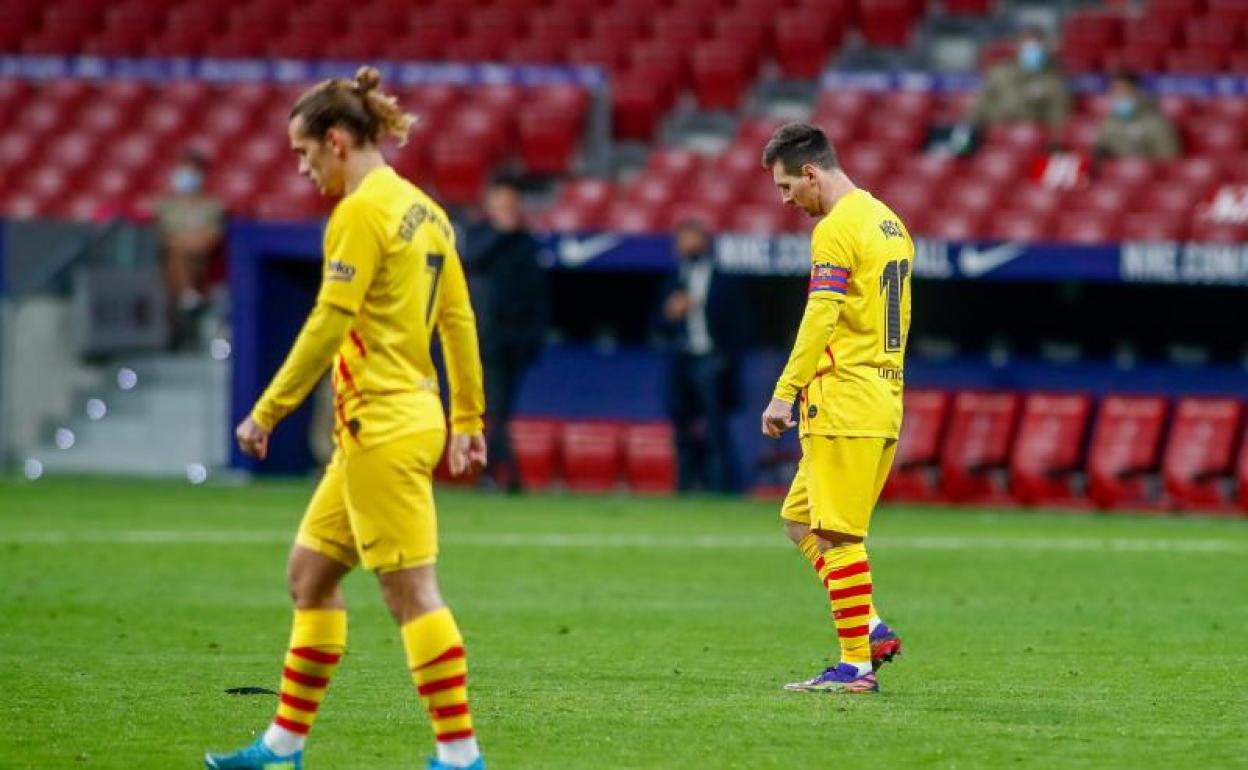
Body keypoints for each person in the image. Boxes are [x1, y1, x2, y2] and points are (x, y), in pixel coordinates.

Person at [205, 67, 488, 770]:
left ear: (336, 140)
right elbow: (456, 318)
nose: (303, 169)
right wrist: (467, 418)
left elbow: (330, 321)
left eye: (304, 153)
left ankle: (460, 756)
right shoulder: (426, 211)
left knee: (411, 592)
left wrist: (267, 411)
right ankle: (282, 748)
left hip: (381, 425)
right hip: (398, 419)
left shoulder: (360, 213)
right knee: (310, 576)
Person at [758, 122, 911, 695]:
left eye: (786, 186)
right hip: (882, 395)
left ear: (811, 173)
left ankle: (855, 667)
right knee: (798, 519)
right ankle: (868, 627)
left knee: (838, 538)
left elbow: (820, 314)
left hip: (844, 399)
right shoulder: (888, 221)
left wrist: (785, 391)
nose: (785, 199)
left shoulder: (836, 228)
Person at [462, 177, 549, 492]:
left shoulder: (526, 243)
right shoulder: (479, 237)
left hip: (515, 341)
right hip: (485, 340)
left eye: (511, 205)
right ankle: (502, 473)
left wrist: (534, 337)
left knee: (502, 409)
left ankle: (499, 473)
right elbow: (471, 259)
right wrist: (501, 232)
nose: (507, 212)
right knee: (495, 407)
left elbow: (538, 294)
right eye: (501, 205)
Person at [655, 219, 747, 493]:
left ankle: (720, 487)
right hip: (680, 359)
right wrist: (670, 314)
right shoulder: (674, 279)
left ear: (703, 242)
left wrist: (725, 360)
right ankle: (684, 486)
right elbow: (656, 324)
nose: (682, 245)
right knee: (680, 426)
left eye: (688, 238)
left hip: (711, 360)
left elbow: (740, 324)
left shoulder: (723, 279)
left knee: (715, 428)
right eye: (680, 240)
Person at [954, 26, 1071, 152]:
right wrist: (966, 129)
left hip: (1028, 140)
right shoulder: (1000, 73)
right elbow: (981, 104)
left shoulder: (1054, 81)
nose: (1032, 51)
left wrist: (1054, 144)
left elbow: (1058, 117)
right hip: (993, 133)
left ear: (1045, 49)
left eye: (1037, 47)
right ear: (1019, 48)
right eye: (1027, 47)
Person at [156, 149, 225, 351]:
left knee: (181, 256)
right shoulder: (166, 206)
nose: (186, 176)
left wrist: (187, 243)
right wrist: (186, 243)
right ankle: (188, 297)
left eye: (192, 171)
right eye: (184, 170)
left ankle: (188, 299)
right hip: (174, 258)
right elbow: (164, 237)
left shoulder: (212, 206)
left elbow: (210, 239)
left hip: (205, 260)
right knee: (176, 257)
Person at [1094, 72, 1180, 161]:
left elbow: (1169, 159)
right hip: (1116, 169)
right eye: (1115, 91)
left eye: (1125, 91)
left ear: (1137, 91)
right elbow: (1100, 152)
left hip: (1149, 169)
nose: (1120, 96)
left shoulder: (1157, 123)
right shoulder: (1109, 123)